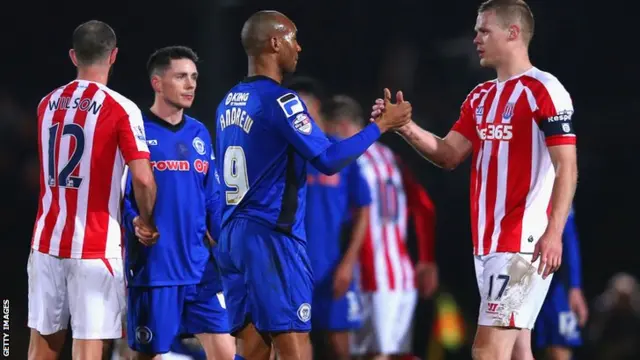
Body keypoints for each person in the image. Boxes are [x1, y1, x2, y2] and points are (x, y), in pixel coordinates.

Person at [371, 0, 578, 359]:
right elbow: (448, 154)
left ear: (513, 33)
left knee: (487, 351)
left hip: (522, 246)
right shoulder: (480, 97)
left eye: (484, 30)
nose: (476, 38)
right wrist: (404, 127)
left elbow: (567, 166)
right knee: (517, 350)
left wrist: (554, 231)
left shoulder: (545, 89)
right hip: (488, 245)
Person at [213, 10, 412, 360]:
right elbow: (330, 159)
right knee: (295, 345)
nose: (299, 47)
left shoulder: (228, 101)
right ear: (275, 42)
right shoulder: (282, 101)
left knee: (253, 346)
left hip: (233, 236)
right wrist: (380, 127)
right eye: (293, 37)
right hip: (272, 237)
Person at [27, 20, 157, 360]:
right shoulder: (121, 108)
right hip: (95, 246)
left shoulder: (45, 104)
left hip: (46, 242)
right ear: (113, 56)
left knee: (41, 345)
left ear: (74, 56)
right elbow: (143, 178)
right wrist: (147, 220)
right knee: (89, 348)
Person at [122, 46, 234, 360]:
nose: (191, 84)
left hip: (200, 267)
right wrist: (134, 221)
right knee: (149, 354)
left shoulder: (199, 132)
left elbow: (211, 194)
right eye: (181, 77)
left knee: (226, 351)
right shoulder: (137, 131)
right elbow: (122, 195)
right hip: (156, 269)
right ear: (157, 83)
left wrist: (225, 239)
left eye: (194, 77)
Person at [331, 95, 439, 360]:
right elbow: (424, 206)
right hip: (401, 275)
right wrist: (426, 259)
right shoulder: (391, 158)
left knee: (370, 354)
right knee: (397, 354)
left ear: (343, 126)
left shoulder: (350, 162)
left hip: (368, 275)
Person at [286, 77, 372, 360]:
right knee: (296, 340)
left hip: (333, 266)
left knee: (338, 344)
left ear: (316, 105)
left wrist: (348, 263)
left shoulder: (338, 150)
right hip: (295, 267)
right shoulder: (289, 152)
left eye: (301, 105)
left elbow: (364, 209)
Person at [534, 206, 588, 360]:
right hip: (522, 280)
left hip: (554, 286)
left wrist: (574, 287)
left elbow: (570, 238)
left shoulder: (558, 188)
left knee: (560, 349)